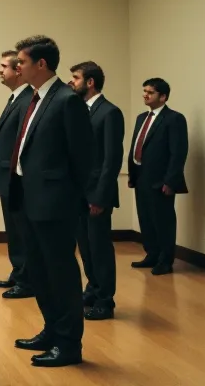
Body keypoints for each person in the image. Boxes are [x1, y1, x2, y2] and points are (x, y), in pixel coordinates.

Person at [10, 35, 91, 367]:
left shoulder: (66, 100)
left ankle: (69, 344)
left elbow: (83, 157)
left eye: (22, 61)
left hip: (55, 204)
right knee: (40, 273)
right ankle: (51, 330)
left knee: (61, 275)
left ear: (41, 64)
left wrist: (70, 200)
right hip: (29, 200)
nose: (17, 66)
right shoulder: (33, 98)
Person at [68, 61, 124, 320]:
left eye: (76, 77)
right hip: (78, 193)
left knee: (99, 249)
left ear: (90, 82)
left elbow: (111, 160)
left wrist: (100, 197)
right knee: (85, 247)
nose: (72, 82)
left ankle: (105, 299)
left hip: (97, 195)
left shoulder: (110, 112)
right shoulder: (80, 110)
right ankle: (92, 288)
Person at [127, 78, 189, 275]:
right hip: (141, 177)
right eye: (144, 91)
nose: (145, 95)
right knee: (145, 219)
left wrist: (170, 181)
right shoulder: (141, 118)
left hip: (161, 180)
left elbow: (178, 153)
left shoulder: (174, 119)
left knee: (163, 221)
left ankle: (165, 260)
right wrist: (132, 173)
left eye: (150, 92)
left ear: (163, 96)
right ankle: (152, 254)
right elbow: (136, 146)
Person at [0, 50, 34, 299]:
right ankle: (18, 273)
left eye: (4, 66)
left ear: (18, 71)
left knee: (22, 231)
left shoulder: (27, 99)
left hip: (17, 178)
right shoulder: (16, 98)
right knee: (14, 230)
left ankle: (27, 281)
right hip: (7, 177)